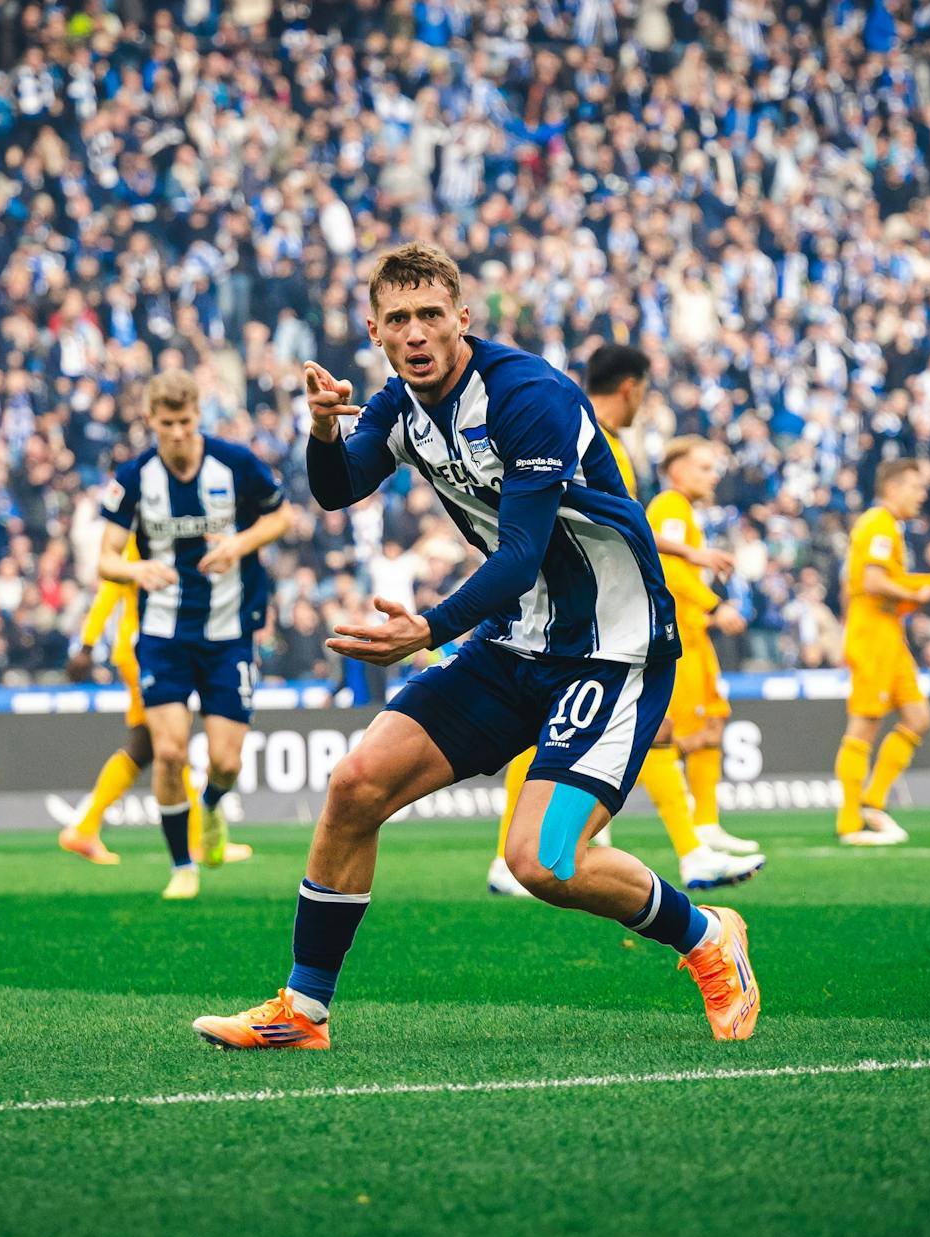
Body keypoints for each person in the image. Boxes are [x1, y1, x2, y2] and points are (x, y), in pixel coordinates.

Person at [192, 243, 761, 1050]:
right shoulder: (398, 403)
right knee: (356, 784)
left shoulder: (528, 395)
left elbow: (522, 553)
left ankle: (707, 936)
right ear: (374, 331)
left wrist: (426, 629)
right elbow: (336, 487)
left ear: (462, 317)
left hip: (610, 650)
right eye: (398, 319)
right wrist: (321, 429)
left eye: (431, 314)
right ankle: (303, 1011)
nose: (416, 332)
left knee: (544, 861)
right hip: (515, 639)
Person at [488, 346, 761, 898]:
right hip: (585, 611)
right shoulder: (595, 438)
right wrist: (688, 559)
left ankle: (682, 847)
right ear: (632, 388)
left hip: (572, 606)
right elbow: (608, 521)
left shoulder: (565, 426)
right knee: (636, 728)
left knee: (567, 730)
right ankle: (691, 851)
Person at [91, 370, 293, 899]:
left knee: (226, 761)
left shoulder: (235, 463)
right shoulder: (135, 477)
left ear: (197, 416)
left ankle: (212, 806)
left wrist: (239, 545)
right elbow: (105, 559)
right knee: (169, 751)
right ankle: (182, 865)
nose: (178, 432)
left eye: (185, 421)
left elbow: (282, 518)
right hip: (163, 634)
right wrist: (136, 570)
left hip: (230, 632)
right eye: (167, 424)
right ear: (151, 421)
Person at [57, 548, 249, 868]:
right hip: (146, 651)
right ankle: (198, 840)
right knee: (171, 743)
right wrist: (87, 644)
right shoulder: (142, 535)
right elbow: (110, 587)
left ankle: (84, 828)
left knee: (144, 747)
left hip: (153, 648)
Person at [647, 436, 765, 862]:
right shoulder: (670, 507)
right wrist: (714, 605)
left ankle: (707, 824)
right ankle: (595, 813)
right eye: (703, 467)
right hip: (675, 640)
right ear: (678, 471)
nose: (713, 476)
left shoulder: (684, 511)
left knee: (713, 721)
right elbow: (668, 569)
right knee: (676, 735)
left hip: (694, 634)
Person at [834, 459, 930, 847]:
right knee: (864, 724)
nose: (921, 495)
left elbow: (854, 585)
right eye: (915, 487)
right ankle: (850, 822)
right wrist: (917, 592)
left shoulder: (886, 526)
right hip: (873, 634)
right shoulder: (879, 523)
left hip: (887, 633)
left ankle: (873, 802)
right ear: (893, 488)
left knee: (918, 717)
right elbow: (873, 581)